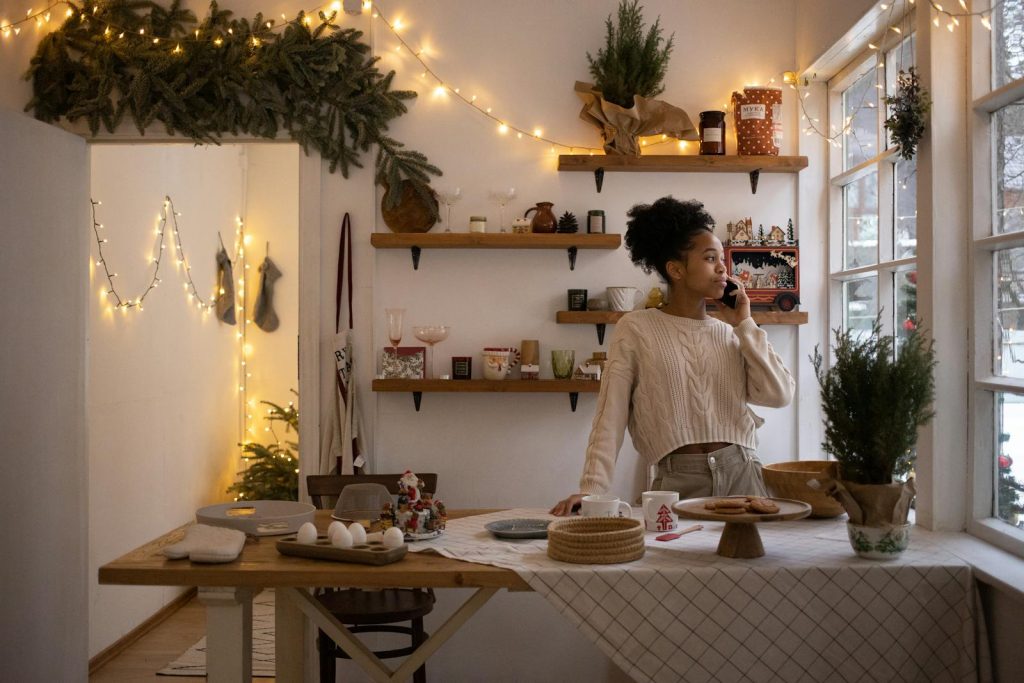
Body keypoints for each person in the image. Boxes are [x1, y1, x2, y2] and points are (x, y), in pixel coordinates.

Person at [550, 197, 794, 516]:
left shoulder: (731, 332)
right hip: (673, 483)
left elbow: (779, 395)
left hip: (743, 476)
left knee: (746, 566)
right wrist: (591, 490)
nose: (723, 267)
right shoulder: (637, 329)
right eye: (710, 258)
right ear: (676, 269)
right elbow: (610, 415)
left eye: (722, 258)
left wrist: (745, 324)